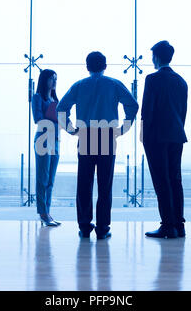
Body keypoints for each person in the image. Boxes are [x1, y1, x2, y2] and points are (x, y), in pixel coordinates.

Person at [57, 51, 138, 239]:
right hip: (107, 136)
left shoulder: (79, 86)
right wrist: (123, 128)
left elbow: (61, 107)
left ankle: (84, 226)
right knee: (105, 183)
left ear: (87, 67)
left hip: (85, 135)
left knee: (84, 183)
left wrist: (70, 129)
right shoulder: (114, 84)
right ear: (105, 66)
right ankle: (102, 228)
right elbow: (132, 105)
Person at [140, 41, 188, 238]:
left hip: (156, 137)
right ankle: (179, 224)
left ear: (157, 57)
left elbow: (147, 111)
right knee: (175, 179)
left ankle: (168, 225)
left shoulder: (152, 79)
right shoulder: (181, 81)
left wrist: (144, 137)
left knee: (162, 181)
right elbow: (183, 112)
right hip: (177, 135)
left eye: (152, 56)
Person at [32, 69, 61, 227]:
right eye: (52, 79)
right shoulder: (38, 97)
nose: (54, 82)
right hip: (43, 139)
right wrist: (54, 118)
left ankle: (47, 212)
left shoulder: (55, 99)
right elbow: (38, 118)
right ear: (44, 80)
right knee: (42, 178)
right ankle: (42, 213)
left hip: (55, 140)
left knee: (50, 179)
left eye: (56, 79)